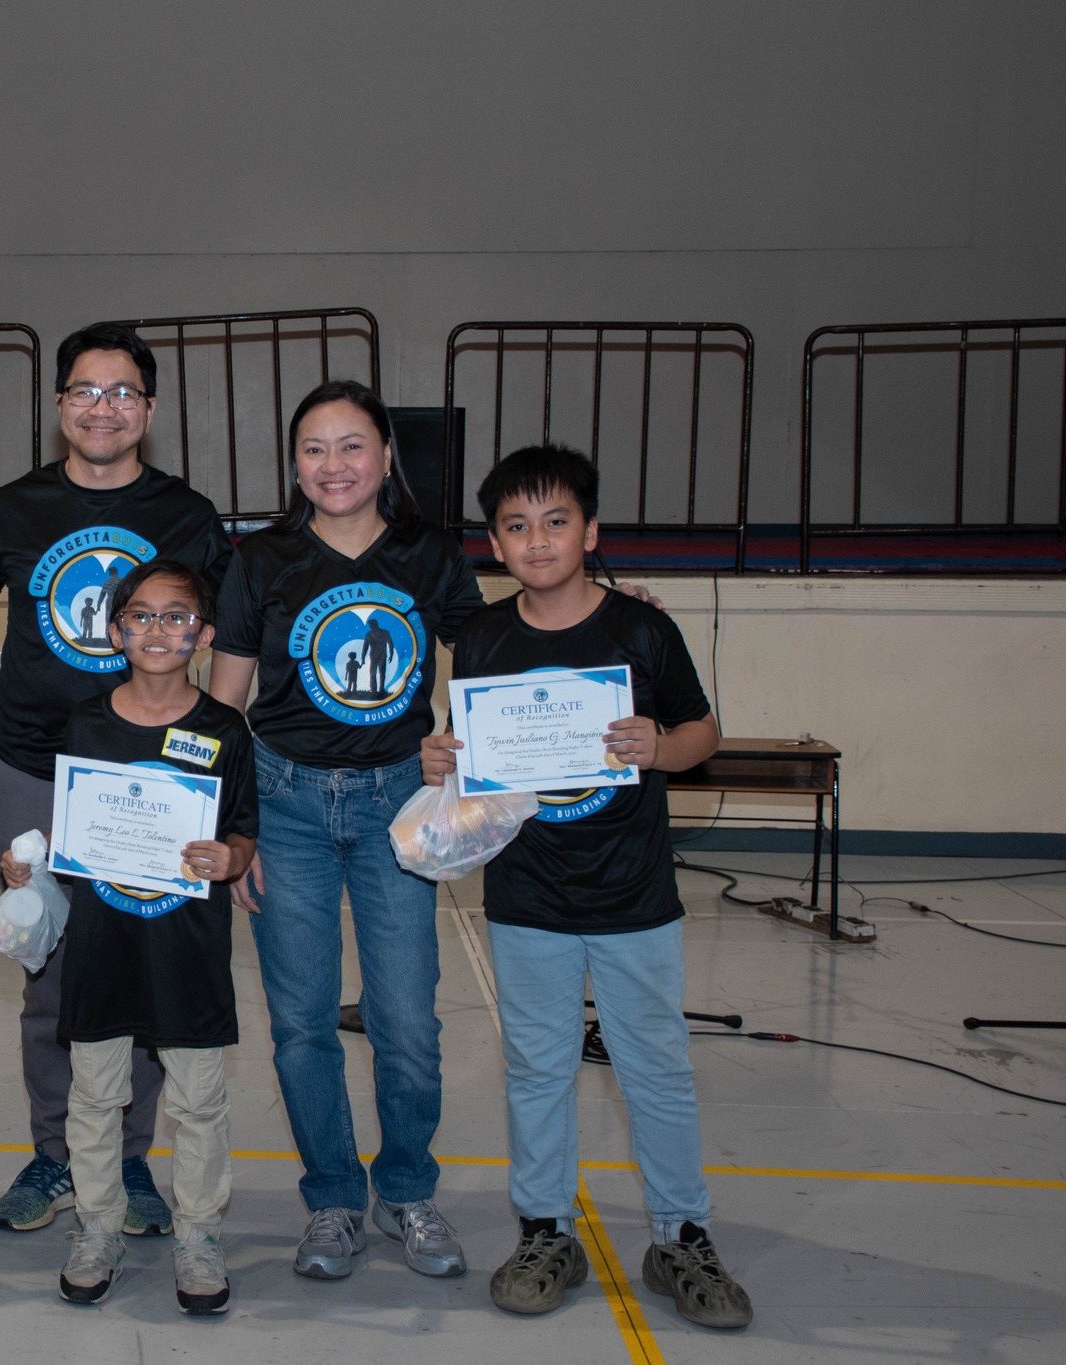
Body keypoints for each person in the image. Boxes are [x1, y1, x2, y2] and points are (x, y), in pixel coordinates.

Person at [423, 443, 751, 1330]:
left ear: (590, 530)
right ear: (493, 542)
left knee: (656, 1068)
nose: (537, 540)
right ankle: (545, 1229)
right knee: (536, 1067)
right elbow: (473, 757)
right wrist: (441, 757)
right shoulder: (483, 637)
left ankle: (683, 1233)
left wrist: (662, 746)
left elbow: (701, 730)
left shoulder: (641, 631)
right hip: (528, 896)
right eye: (516, 526)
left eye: (556, 521)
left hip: (634, 893)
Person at [0, 322, 234, 1237]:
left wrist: (214, 748)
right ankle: (56, 1153)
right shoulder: (14, 506)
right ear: (61, 405)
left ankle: (131, 1158)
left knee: (141, 962)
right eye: (84, 390)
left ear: (147, 409)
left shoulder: (187, 513)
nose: (101, 407)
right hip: (35, 764)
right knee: (50, 967)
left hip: (151, 778)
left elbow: (228, 641)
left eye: (120, 392)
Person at [208, 378, 481, 1284]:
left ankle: (405, 1187)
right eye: (315, 449)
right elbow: (223, 702)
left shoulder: (429, 555)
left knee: (406, 1020)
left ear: (387, 456)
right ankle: (331, 1196)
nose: (334, 465)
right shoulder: (261, 560)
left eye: (353, 446)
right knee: (299, 1024)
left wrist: (602, 606)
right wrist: (233, 825)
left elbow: (492, 660)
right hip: (284, 806)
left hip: (398, 807)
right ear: (295, 463)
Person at [0, 559, 256, 1314]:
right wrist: (32, 855)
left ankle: (200, 1233)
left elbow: (243, 834)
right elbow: (79, 824)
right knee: (95, 1094)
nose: (158, 630)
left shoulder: (222, 729)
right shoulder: (86, 721)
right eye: (141, 616)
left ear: (203, 635)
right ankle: (98, 1225)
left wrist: (230, 856)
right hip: (103, 946)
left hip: (188, 950)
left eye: (177, 617)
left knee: (200, 1101)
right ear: (115, 631)